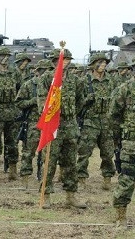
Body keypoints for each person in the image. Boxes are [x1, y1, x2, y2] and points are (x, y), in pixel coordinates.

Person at [37, 48, 86, 209]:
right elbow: (41, 103)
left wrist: (70, 114)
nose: (65, 62)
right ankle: (47, 194)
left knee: (70, 162)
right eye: (62, 60)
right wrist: (51, 118)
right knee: (49, 162)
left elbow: (80, 101)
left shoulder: (75, 80)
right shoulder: (46, 79)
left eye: (67, 60)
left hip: (70, 125)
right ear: (54, 62)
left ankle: (71, 195)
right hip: (53, 125)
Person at [76, 53, 116, 190]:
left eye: (105, 62)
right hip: (89, 122)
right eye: (100, 62)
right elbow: (77, 102)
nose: (103, 65)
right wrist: (87, 100)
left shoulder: (111, 81)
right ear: (93, 65)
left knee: (108, 153)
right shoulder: (84, 81)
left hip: (106, 122)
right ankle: (81, 180)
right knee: (84, 152)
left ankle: (107, 179)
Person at [15, 59, 52, 189]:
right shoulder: (29, 85)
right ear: (37, 72)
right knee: (28, 152)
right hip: (33, 123)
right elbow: (19, 102)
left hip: (48, 124)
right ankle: (25, 177)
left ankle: (44, 179)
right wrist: (32, 101)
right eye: (43, 71)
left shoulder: (53, 86)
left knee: (47, 153)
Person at [0, 47, 21, 181]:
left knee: (12, 143)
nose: (5, 58)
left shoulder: (14, 72)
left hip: (12, 111)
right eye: (2, 56)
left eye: (7, 56)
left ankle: (13, 170)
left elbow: (20, 88)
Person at [109, 74, 135, 229]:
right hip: (131, 143)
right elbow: (113, 116)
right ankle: (121, 217)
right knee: (127, 180)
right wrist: (119, 139)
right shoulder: (125, 89)